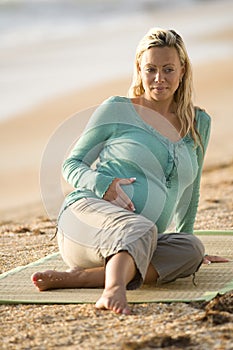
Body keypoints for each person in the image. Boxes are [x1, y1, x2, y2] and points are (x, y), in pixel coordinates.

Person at [32, 28, 228, 315]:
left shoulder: (198, 122)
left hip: (142, 241)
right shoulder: (116, 109)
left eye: (168, 69)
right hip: (88, 221)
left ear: (182, 70)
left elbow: (192, 187)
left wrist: (185, 235)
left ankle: (81, 278)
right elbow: (71, 165)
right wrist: (104, 185)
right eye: (151, 69)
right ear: (139, 68)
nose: (159, 78)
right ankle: (113, 290)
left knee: (191, 250)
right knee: (139, 228)